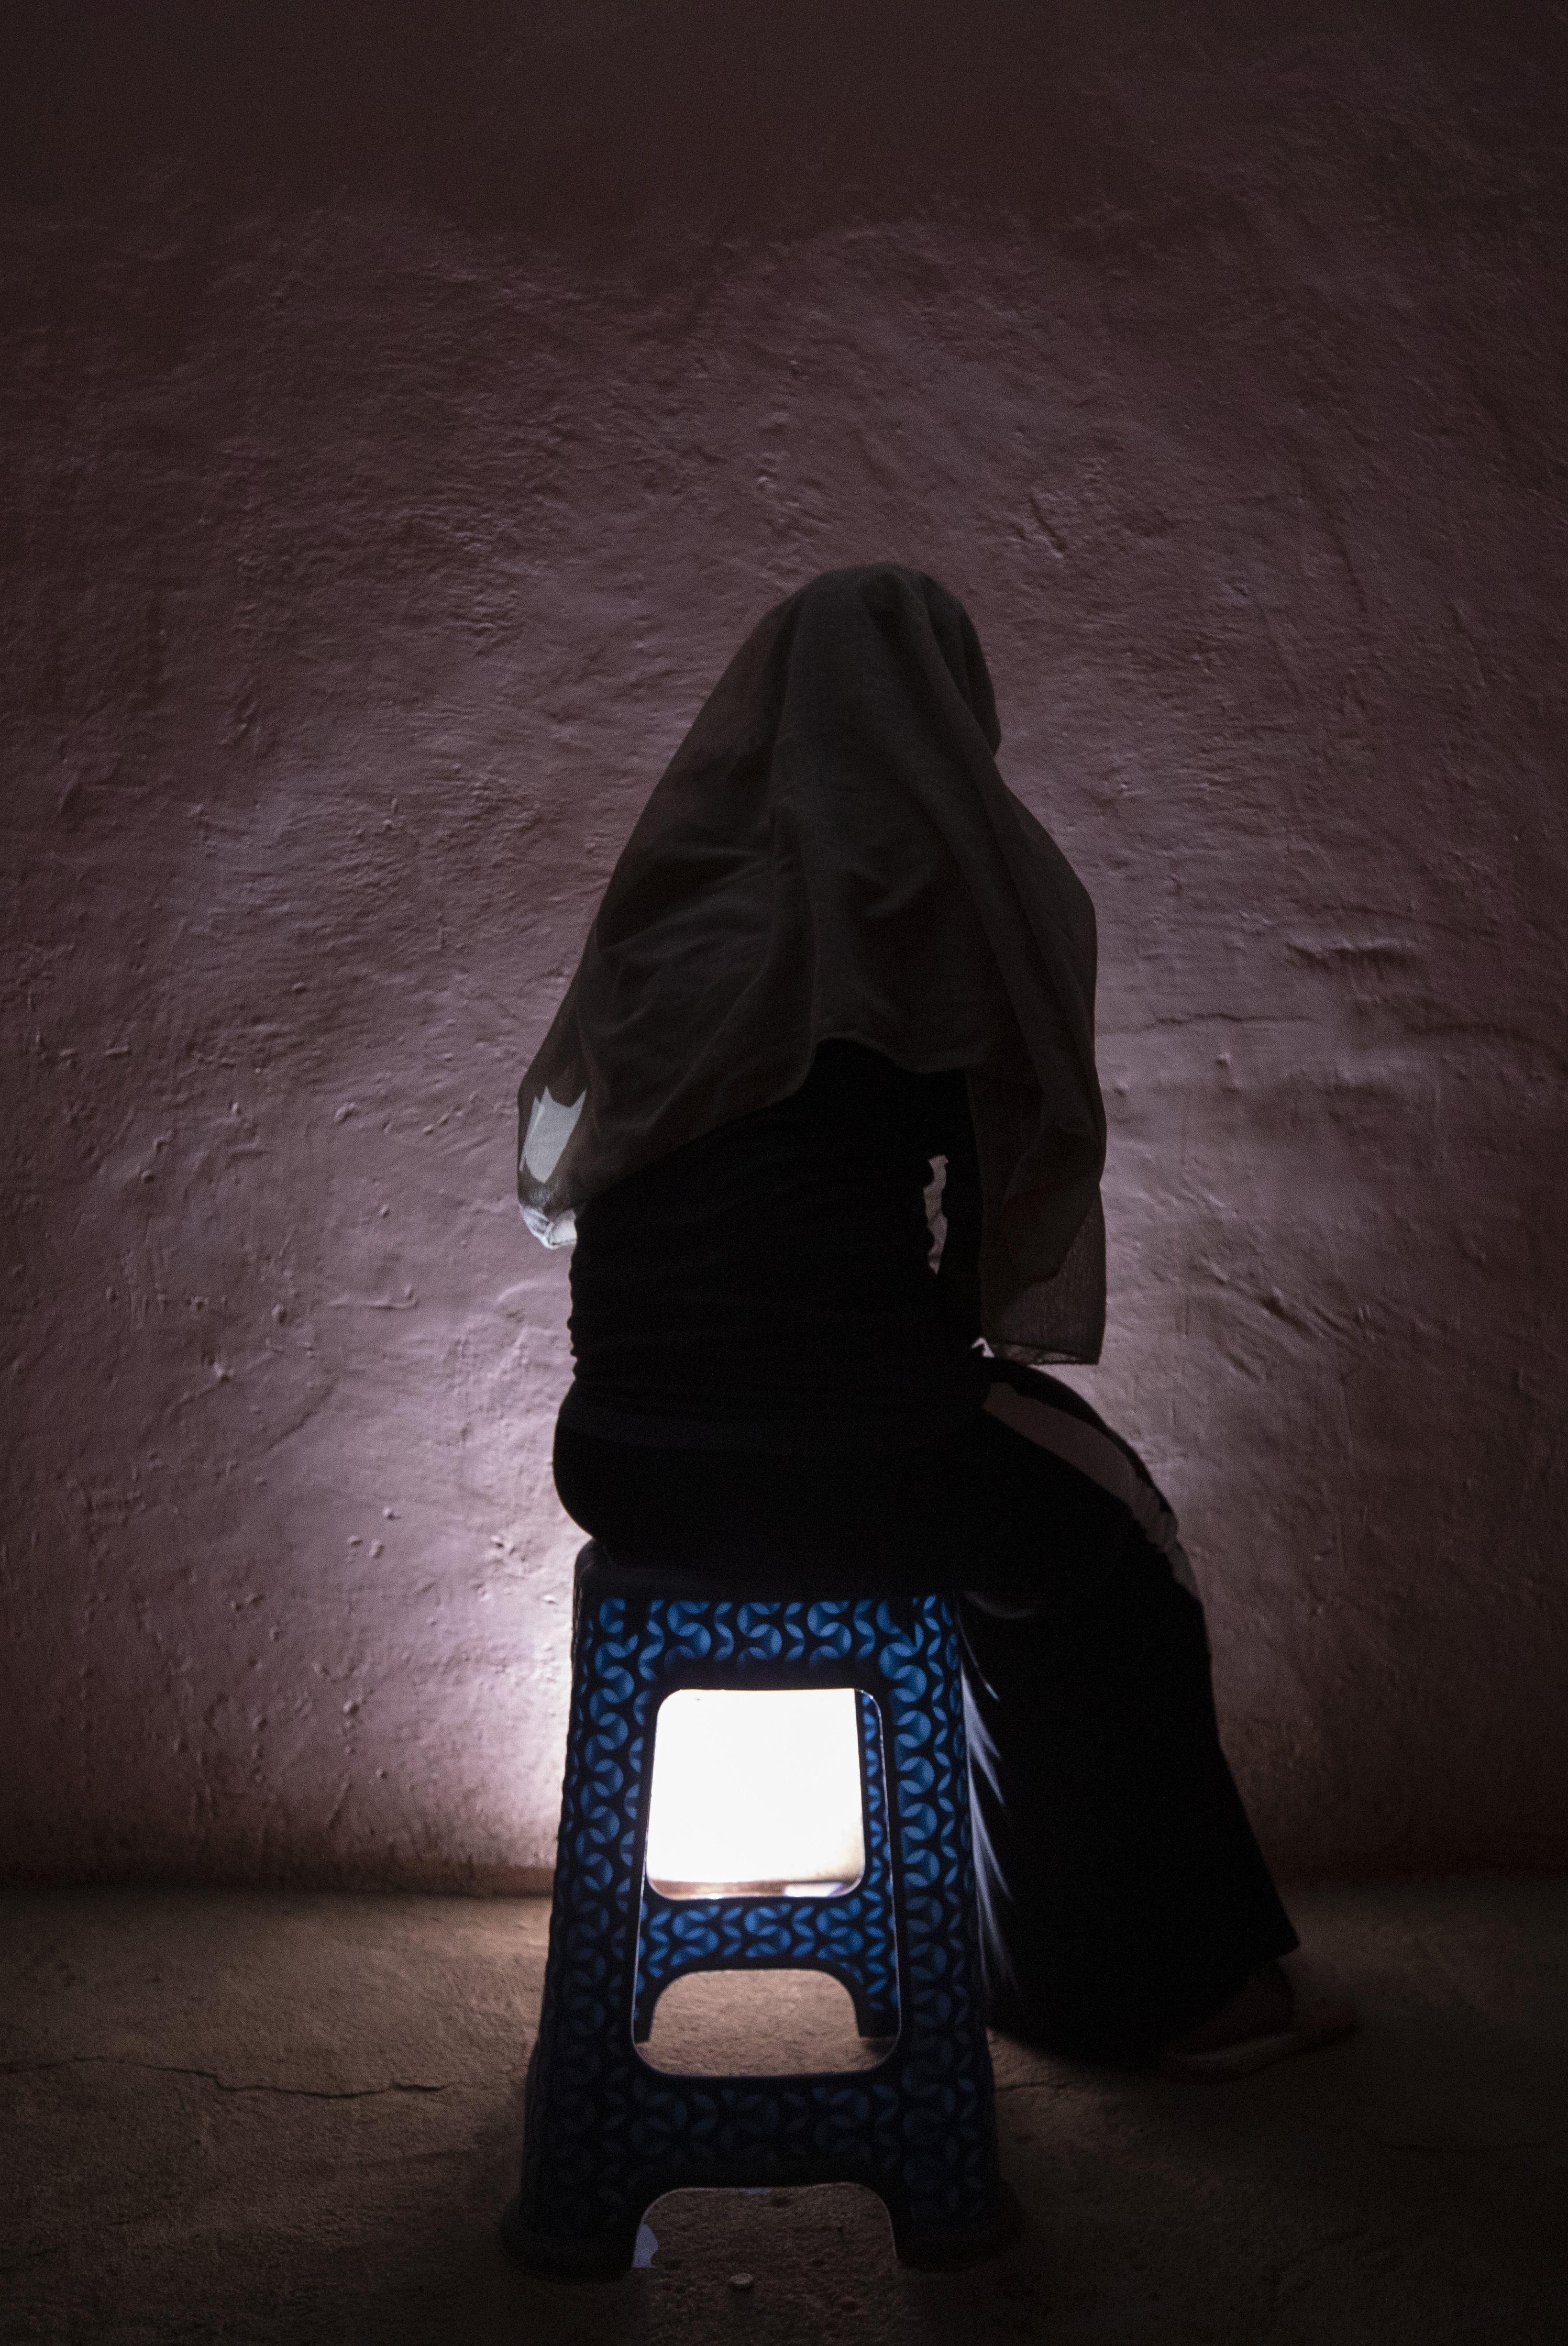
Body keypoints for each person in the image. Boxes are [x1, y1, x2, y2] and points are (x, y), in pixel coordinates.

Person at [514, 563, 1351, 2077]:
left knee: (1047, 1502)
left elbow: (587, 1172)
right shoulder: (926, 899)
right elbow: (978, 1243)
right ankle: (1138, 1991)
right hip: (851, 1455)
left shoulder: (675, 898)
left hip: (620, 1453)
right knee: (1112, 1549)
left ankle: (1034, 1945)